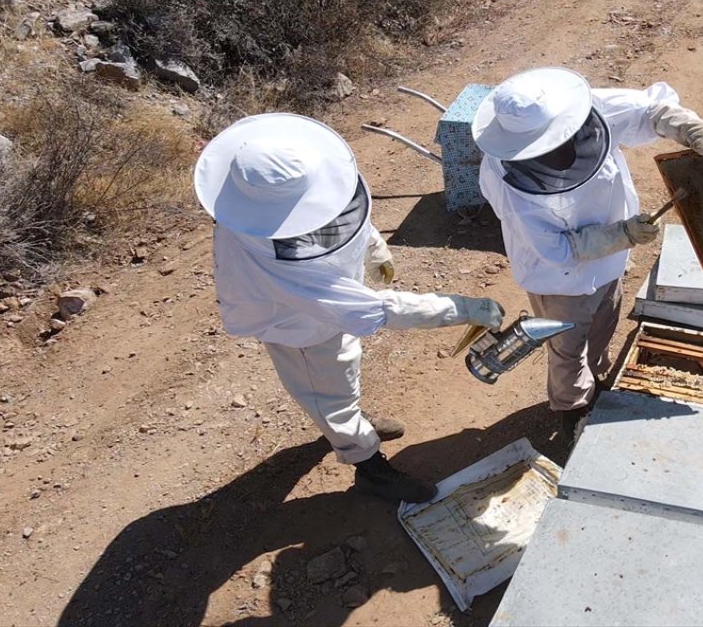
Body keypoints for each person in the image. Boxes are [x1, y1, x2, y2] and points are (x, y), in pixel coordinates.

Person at [194, 113, 504, 504]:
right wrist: (460, 308)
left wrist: (375, 249)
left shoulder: (263, 198)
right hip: (297, 329)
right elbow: (376, 310)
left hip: (318, 312)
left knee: (343, 369)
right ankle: (369, 467)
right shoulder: (276, 262)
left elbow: (335, 207)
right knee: (328, 396)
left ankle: (356, 420)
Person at [472, 68, 703, 438]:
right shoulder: (505, 182)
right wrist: (620, 233)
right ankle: (571, 407)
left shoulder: (585, 109)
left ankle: (597, 379)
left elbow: (649, 110)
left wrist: (691, 128)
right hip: (557, 280)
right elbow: (558, 250)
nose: (559, 150)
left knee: (603, 325)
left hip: (610, 264)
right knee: (567, 348)